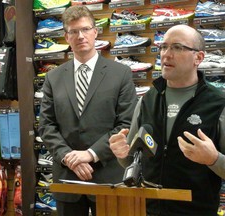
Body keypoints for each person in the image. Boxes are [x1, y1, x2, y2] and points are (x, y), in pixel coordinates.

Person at [109, 24, 225, 216]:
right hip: (147, 210)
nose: (166, 54)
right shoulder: (148, 99)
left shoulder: (218, 104)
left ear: (199, 57)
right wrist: (122, 154)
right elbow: (133, 161)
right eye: (164, 47)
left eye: (177, 47)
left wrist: (213, 159)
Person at [38, 5, 137, 216]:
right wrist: (68, 157)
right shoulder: (53, 77)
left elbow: (126, 124)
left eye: (85, 29)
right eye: (73, 31)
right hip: (68, 177)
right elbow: (46, 125)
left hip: (108, 177)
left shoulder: (120, 73)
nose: (80, 36)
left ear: (95, 32)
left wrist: (91, 154)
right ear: (66, 36)